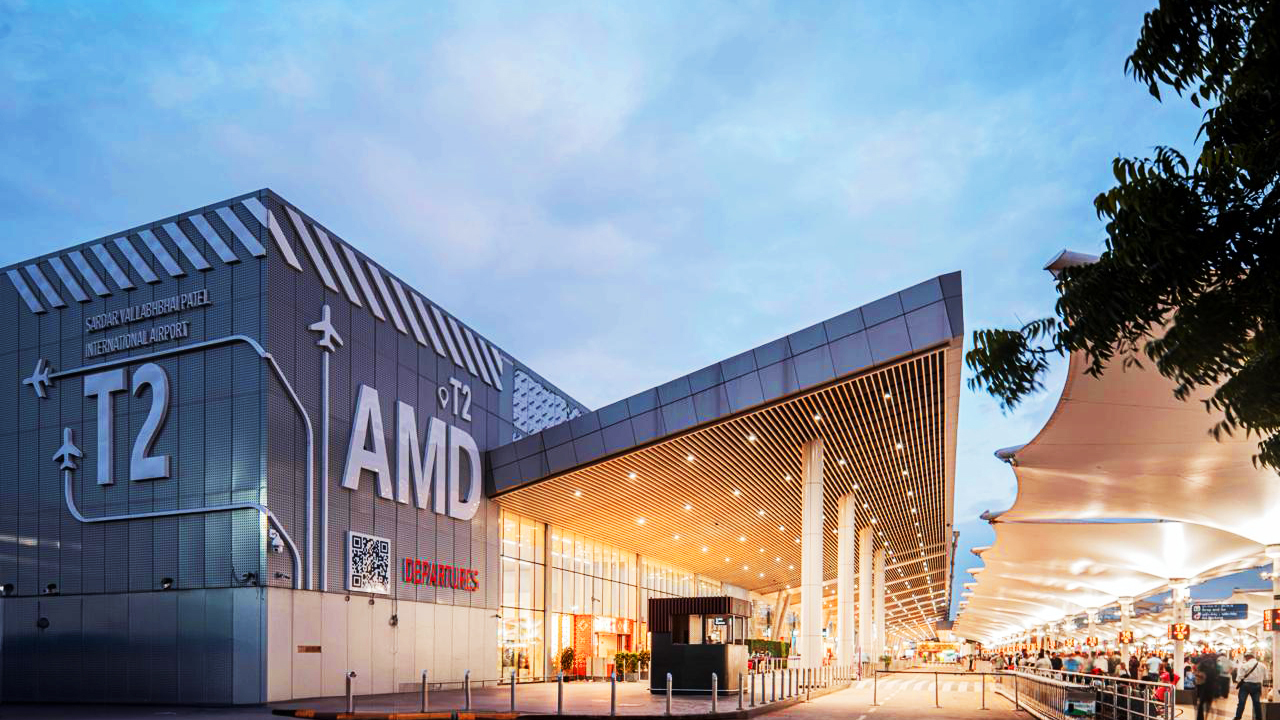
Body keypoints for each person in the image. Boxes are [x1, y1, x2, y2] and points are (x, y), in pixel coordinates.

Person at [1230, 652, 1267, 720]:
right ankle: (1259, 718)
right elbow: (1265, 678)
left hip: (1245, 685)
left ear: (1248, 657)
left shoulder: (1244, 665)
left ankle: (1238, 717)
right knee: (1256, 703)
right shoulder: (1263, 666)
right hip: (1257, 685)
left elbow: (1239, 678)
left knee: (1241, 702)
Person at [1196, 654, 1220, 720]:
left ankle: (1200, 718)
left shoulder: (1202, 664)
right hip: (1211, 687)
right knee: (1208, 704)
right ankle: (1207, 717)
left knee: (1201, 704)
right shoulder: (1215, 666)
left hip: (1203, 686)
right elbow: (1217, 676)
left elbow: (1198, 674)